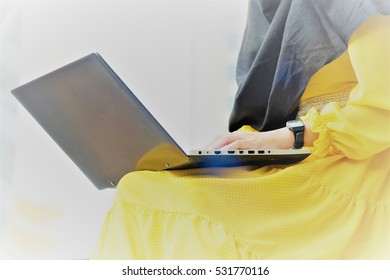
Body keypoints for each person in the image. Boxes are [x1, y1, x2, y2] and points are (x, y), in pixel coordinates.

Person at [93, 0, 390, 259]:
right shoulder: (268, 8)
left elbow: (383, 104)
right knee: (140, 186)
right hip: (295, 159)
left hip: (355, 162)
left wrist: (290, 136)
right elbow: (266, 116)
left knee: (161, 203)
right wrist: (240, 147)